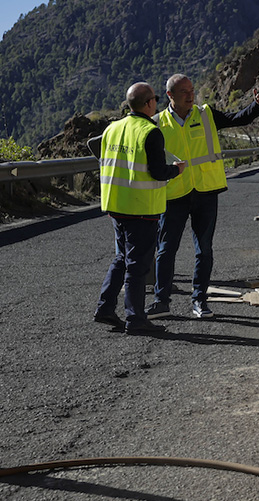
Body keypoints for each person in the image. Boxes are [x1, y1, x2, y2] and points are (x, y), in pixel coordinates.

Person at [147, 74, 259, 320]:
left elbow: (237, 118)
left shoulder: (206, 114)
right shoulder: (156, 123)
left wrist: (258, 106)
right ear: (170, 96)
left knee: (204, 249)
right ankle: (161, 301)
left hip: (205, 191)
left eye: (192, 90)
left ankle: (199, 301)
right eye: (184, 92)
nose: (190, 95)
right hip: (173, 195)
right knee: (165, 250)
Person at [93, 82, 185, 335]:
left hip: (116, 204)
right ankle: (135, 318)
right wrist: (176, 170)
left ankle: (106, 308)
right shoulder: (150, 131)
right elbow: (157, 171)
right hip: (141, 207)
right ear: (148, 103)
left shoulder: (112, 128)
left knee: (121, 259)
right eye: (154, 98)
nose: (156, 102)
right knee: (137, 265)